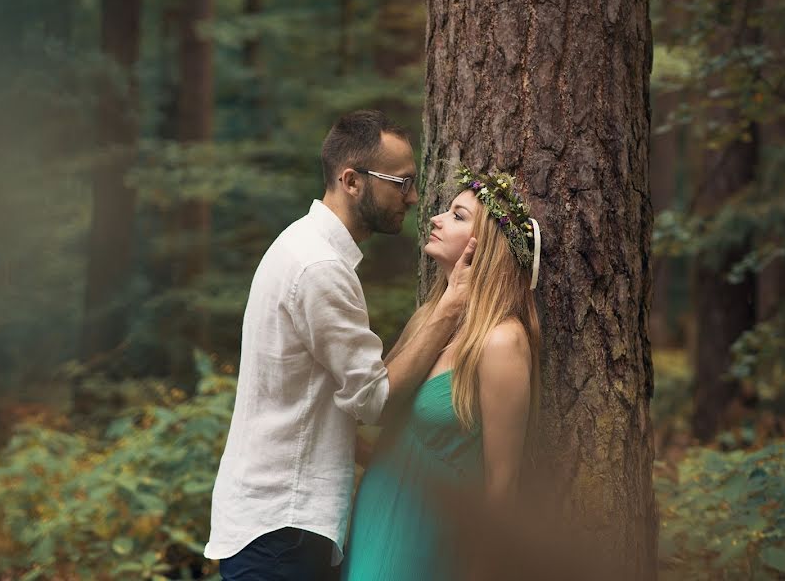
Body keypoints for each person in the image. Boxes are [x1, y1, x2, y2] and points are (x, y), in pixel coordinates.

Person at [204, 110, 477, 580]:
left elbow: (343, 396)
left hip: (279, 527)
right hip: (281, 532)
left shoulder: (305, 247)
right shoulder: (320, 268)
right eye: (401, 182)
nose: (413, 198)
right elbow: (374, 400)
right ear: (352, 181)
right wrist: (452, 307)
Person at [341, 165, 542, 581]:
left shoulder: (501, 342)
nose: (435, 218)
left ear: (485, 246)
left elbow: (502, 486)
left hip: (431, 540)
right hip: (374, 520)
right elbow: (385, 423)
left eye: (457, 215)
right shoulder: (428, 320)